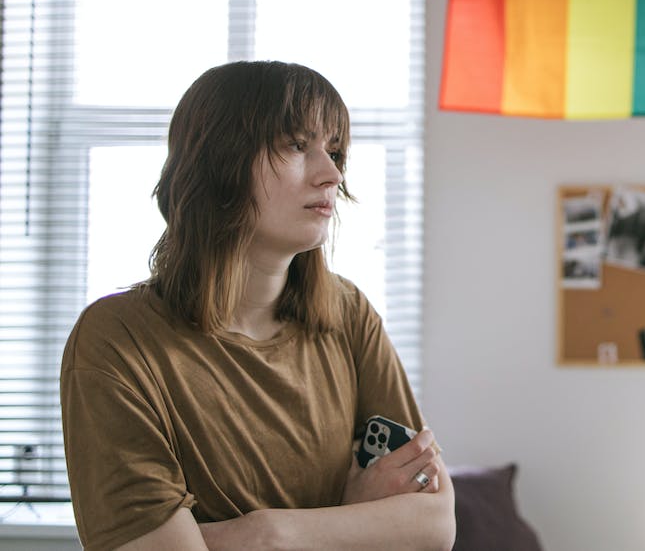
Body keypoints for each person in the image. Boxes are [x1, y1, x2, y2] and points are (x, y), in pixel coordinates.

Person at [60, 61, 455, 551]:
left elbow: (435, 523)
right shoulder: (118, 339)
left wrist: (264, 533)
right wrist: (353, 521)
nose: (331, 173)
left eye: (334, 151)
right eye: (295, 145)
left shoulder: (348, 313)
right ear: (219, 160)